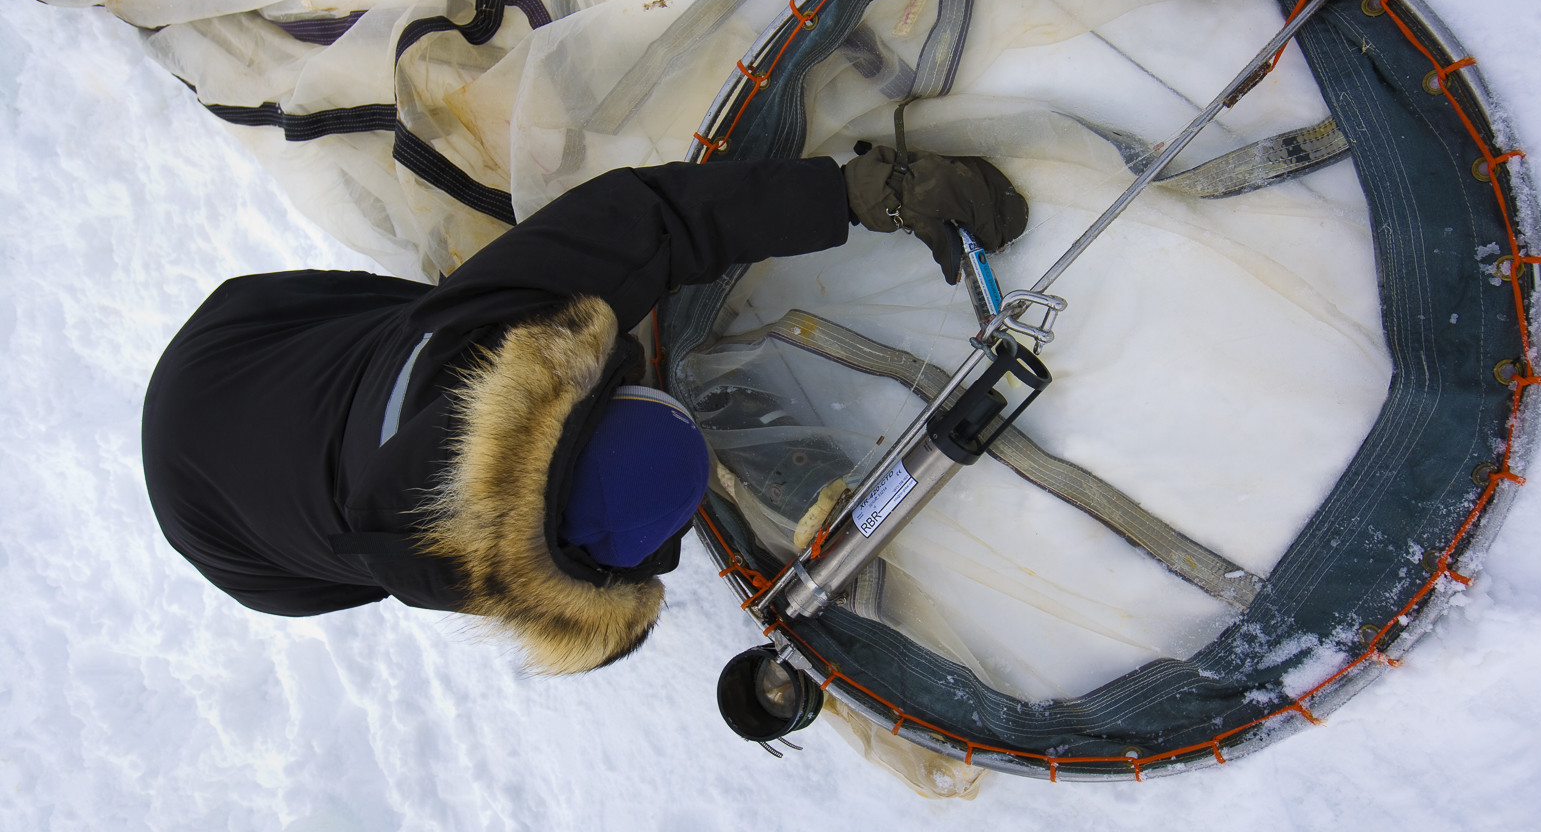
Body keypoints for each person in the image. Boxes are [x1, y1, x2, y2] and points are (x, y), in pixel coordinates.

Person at [141, 149, 1027, 673]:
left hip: (233, 339)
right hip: (235, 551)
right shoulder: (490, 360)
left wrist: (852, 194)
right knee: (364, 550)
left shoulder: (491, 335)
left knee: (417, 317)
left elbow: (650, 218)